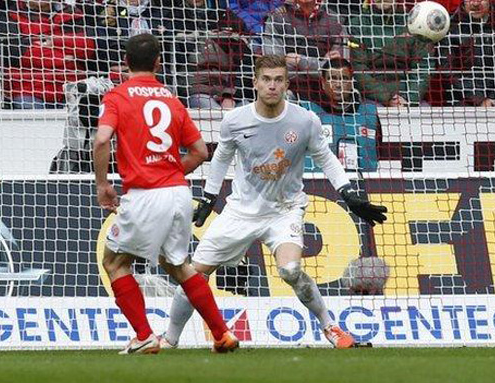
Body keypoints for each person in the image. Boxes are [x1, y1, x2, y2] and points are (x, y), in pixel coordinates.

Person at [160, 55, 388, 349]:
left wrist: (347, 193)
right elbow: (221, 158)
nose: (272, 86)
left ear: (286, 84)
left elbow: (325, 158)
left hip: (285, 209)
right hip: (241, 210)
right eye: (266, 79)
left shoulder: (305, 120)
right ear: (255, 83)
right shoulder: (235, 120)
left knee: (290, 271)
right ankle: (170, 339)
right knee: (194, 275)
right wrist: (208, 196)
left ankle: (331, 328)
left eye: (278, 80)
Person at [95, 33, 239, 354]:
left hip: (146, 193)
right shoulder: (171, 99)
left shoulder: (117, 97)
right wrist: (171, 171)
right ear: (158, 63)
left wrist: (103, 185)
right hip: (178, 193)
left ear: (125, 63)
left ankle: (144, 335)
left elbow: (102, 140)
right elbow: (201, 151)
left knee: (115, 262)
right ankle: (221, 332)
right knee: (178, 265)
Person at [298, 58, 381, 172]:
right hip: (318, 185)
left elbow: (379, 151)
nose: (338, 85)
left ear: (352, 82)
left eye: (344, 79)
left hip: (361, 185)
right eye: (332, 78)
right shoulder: (306, 112)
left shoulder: (369, 113)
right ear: (323, 83)